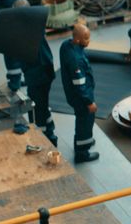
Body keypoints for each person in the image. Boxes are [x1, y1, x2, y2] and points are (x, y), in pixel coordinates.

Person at [59, 24, 99, 163]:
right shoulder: (76, 60)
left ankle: (82, 142)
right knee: (85, 122)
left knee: (82, 120)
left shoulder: (66, 45)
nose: (89, 41)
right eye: (86, 38)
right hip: (81, 97)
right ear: (77, 40)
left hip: (73, 93)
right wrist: (89, 102)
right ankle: (82, 152)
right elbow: (80, 85)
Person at [23, 31, 58, 146]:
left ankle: (43, 139)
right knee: (43, 106)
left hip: (38, 77)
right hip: (43, 74)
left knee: (37, 109)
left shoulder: (24, 37)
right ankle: (50, 133)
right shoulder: (35, 30)